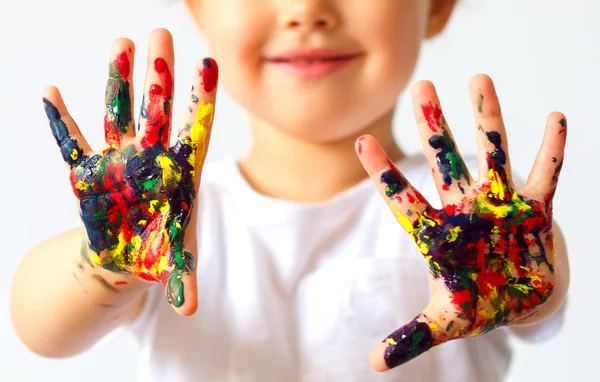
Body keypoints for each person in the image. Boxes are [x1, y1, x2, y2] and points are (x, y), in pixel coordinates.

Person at [10, 0, 569, 381]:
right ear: (198, 8)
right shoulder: (164, 223)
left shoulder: (477, 220)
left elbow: (547, 282)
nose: (306, 10)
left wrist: (520, 286)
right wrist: (108, 265)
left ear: (439, 5)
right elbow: (38, 326)